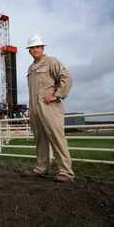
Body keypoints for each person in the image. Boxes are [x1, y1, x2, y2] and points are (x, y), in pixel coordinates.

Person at [26, 34, 75, 183]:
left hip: (50, 108)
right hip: (35, 109)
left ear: (42, 48)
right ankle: (41, 168)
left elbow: (66, 77)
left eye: (37, 47)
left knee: (57, 138)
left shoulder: (51, 62)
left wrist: (57, 95)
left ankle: (66, 172)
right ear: (29, 51)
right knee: (40, 139)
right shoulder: (31, 67)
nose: (35, 50)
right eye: (32, 48)